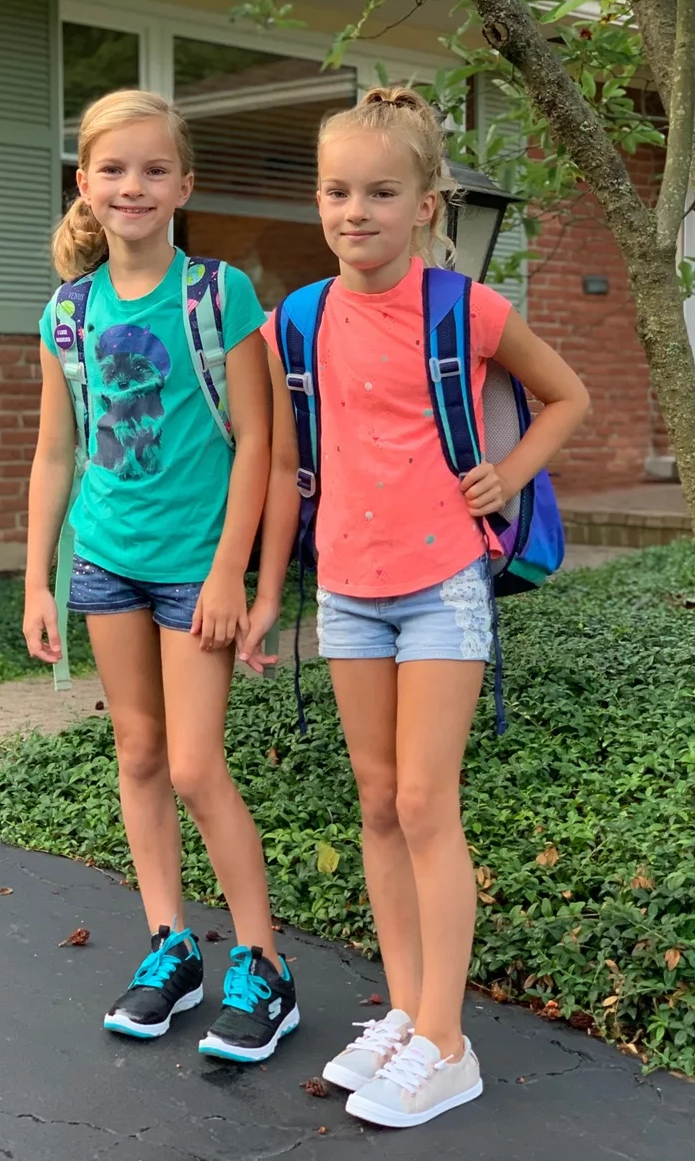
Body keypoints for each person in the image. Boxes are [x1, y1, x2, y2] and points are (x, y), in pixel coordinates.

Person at [240, 87, 588, 1125]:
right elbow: (281, 464)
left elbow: (567, 394)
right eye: (337, 191)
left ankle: (447, 1041)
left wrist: (509, 473)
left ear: (426, 204)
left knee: (429, 805)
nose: (356, 211)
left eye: (381, 192)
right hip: (347, 594)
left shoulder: (466, 309)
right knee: (380, 805)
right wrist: (266, 595)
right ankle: (403, 1013)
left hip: (442, 589)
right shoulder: (292, 322)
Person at [23, 89, 298, 1063]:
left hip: (193, 570)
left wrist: (233, 576)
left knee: (192, 766)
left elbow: (261, 439)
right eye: (112, 169)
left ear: (184, 184)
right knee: (137, 756)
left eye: (151, 170)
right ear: (84, 185)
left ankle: (263, 965)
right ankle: (168, 944)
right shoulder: (66, 311)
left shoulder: (217, 293)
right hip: (104, 563)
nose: (131, 186)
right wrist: (35, 579)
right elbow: (58, 454)